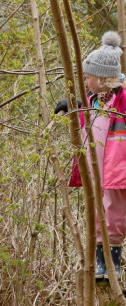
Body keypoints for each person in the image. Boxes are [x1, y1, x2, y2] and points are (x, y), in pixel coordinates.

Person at [54, 31, 126, 279]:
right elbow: (79, 106)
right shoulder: (91, 101)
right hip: (94, 168)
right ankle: (100, 262)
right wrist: (66, 105)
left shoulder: (121, 101)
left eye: (88, 77)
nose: (84, 80)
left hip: (116, 170)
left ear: (104, 78)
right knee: (96, 213)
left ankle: (113, 262)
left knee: (114, 215)